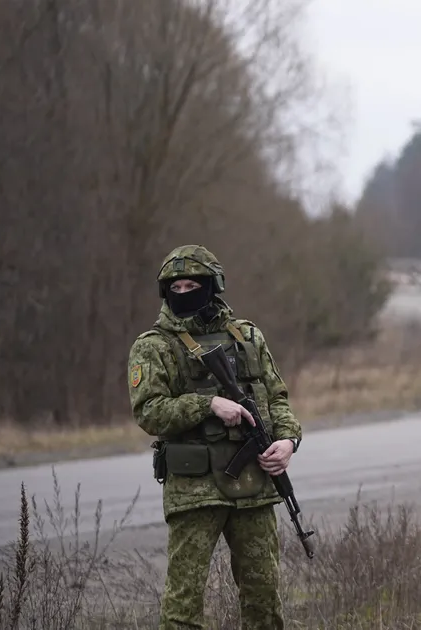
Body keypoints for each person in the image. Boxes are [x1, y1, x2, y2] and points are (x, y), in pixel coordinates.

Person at [127, 244, 303, 630]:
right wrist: (208, 405)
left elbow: (277, 398)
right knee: (183, 606)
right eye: (177, 286)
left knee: (263, 599)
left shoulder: (248, 337)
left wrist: (288, 441)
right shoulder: (153, 346)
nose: (184, 292)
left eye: (194, 284)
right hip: (194, 490)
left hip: (255, 485)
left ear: (213, 286)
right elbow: (149, 412)